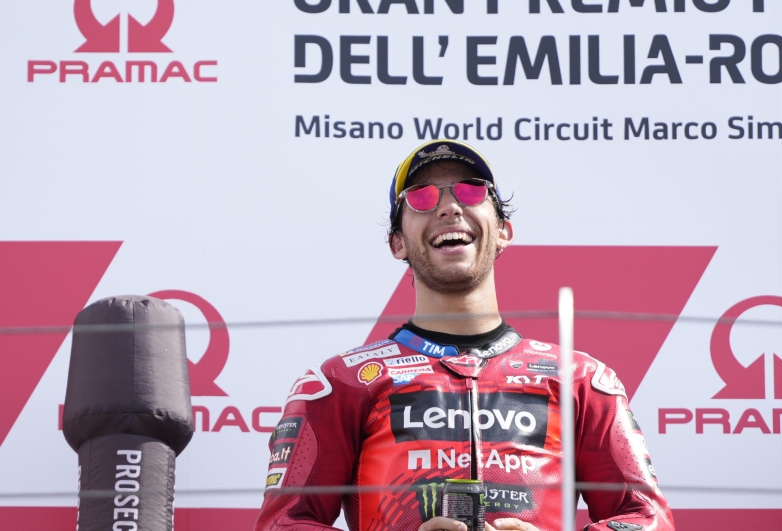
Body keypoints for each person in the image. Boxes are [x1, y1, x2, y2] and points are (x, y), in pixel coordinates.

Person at [254, 140, 675, 531]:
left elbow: (648, 518)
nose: (450, 207)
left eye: (472, 192)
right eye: (421, 197)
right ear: (397, 243)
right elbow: (283, 525)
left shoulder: (581, 379)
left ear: (504, 231)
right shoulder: (342, 382)